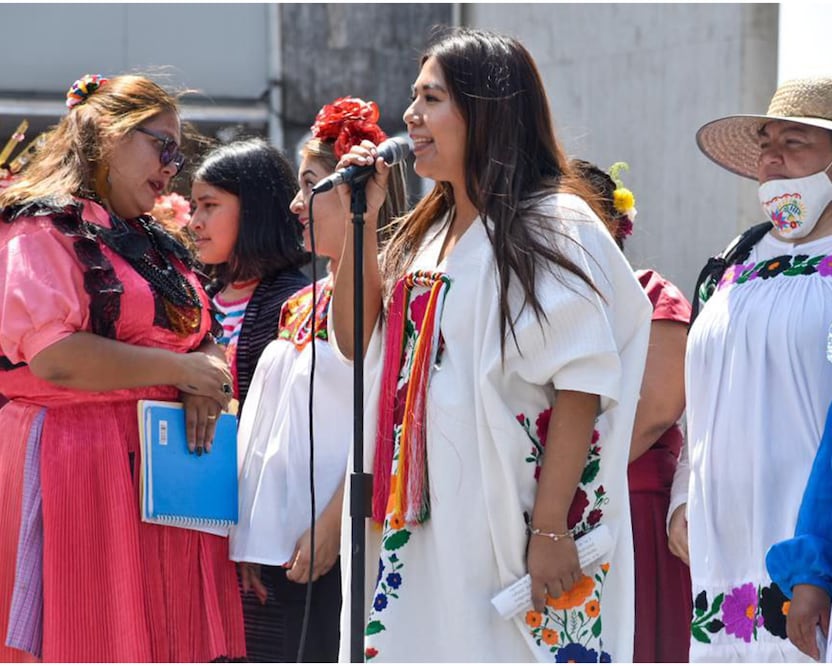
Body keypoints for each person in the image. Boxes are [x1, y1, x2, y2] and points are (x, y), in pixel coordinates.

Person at [330, 28, 652, 662]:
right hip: (414, 508)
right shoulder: (432, 230)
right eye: (413, 98)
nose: (410, 117)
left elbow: (582, 383)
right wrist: (359, 225)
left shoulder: (551, 223)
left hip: (503, 512)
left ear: (487, 111)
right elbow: (353, 339)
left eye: (432, 98)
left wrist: (552, 527)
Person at [0, 73, 245, 662]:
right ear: (108, 135)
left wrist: (206, 375)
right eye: (161, 145)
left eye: (178, 152)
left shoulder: (154, 240)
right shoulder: (39, 228)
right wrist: (180, 371)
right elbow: (56, 357)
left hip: (167, 468)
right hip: (76, 461)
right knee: (89, 634)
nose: (173, 166)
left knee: (164, 636)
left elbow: (205, 328)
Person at [228, 97, 407, 662]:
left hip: (347, 533)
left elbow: (385, 413)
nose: (295, 203)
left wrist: (337, 521)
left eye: (311, 185)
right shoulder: (305, 300)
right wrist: (257, 534)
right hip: (290, 544)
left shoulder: (392, 292)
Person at [681, 75, 832, 662]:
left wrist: (818, 562)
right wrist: (679, 497)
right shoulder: (730, 262)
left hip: (809, 543)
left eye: (796, 144)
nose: (772, 158)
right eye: (766, 143)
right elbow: (700, 396)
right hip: (722, 550)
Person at [572, 159, 693, 662]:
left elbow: (656, 410)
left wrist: (556, 481)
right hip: (554, 514)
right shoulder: (541, 300)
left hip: (632, 508)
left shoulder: (652, 295)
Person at [188, 138, 309, 417]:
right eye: (195, 206)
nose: (194, 221)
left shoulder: (296, 305)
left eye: (209, 205)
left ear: (254, 211)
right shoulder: (202, 296)